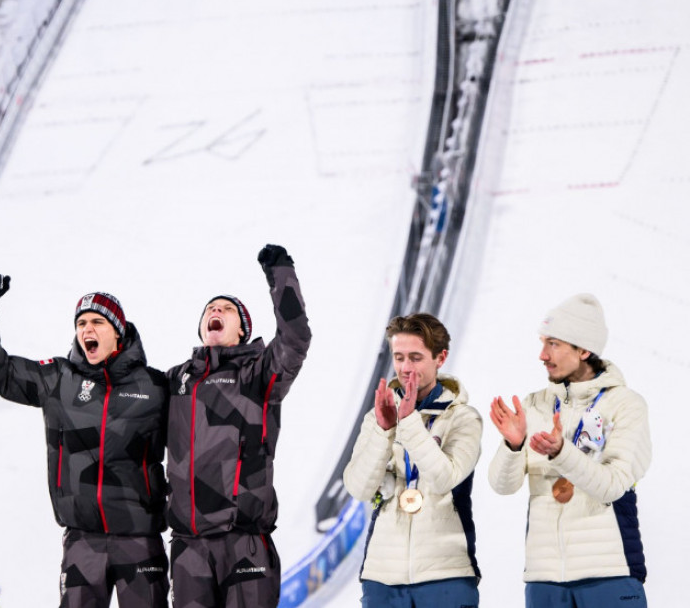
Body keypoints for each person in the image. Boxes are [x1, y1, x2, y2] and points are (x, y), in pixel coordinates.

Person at [0, 281, 169, 608]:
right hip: (82, 540)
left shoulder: (155, 386)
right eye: (81, 323)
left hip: (141, 539)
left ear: (118, 331)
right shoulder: (59, 379)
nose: (87, 328)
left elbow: (196, 438)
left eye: (97, 322)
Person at [166, 243, 311, 608]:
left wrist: (281, 274)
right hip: (188, 549)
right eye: (210, 309)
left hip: (243, 542)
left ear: (242, 330)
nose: (216, 310)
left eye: (227, 309)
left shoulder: (258, 373)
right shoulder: (173, 382)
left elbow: (295, 339)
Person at [489, 293, 651, 606]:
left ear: (583, 349)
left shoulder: (626, 405)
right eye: (542, 342)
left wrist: (562, 452)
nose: (542, 354)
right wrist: (514, 444)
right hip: (544, 578)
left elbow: (614, 486)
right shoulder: (533, 405)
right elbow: (501, 486)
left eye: (553, 344)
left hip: (610, 571)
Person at [343, 313, 482, 607]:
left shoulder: (463, 418)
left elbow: (445, 477)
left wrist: (408, 422)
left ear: (440, 358)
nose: (405, 368)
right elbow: (359, 488)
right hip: (382, 577)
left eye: (416, 357)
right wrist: (383, 431)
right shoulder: (377, 416)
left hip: (446, 575)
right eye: (399, 357)